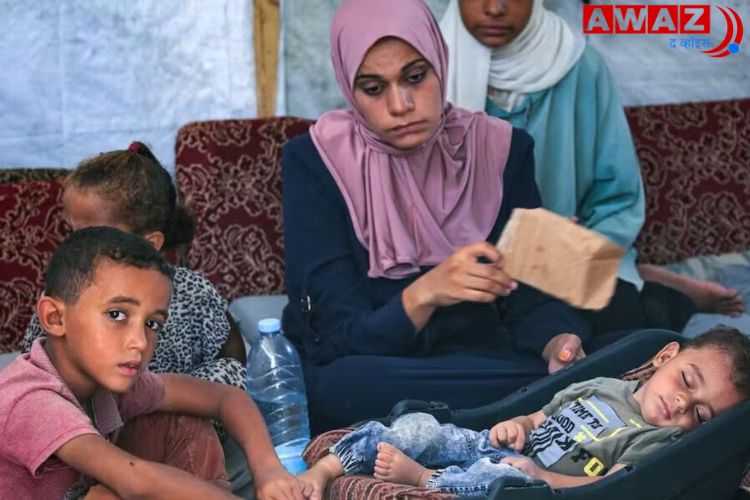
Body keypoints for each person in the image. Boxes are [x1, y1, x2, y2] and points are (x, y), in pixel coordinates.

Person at [281, 0, 597, 434]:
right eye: (374, 88)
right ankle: (532, 405)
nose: (401, 104)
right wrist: (424, 294)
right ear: (348, 88)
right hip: (381, 368)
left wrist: (556, 342)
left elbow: (533, 296)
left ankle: (517, 402)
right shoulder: (315, 162)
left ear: (439, 61)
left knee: (630, 341)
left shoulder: (501, 148)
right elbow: (336, 338)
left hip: (483, 359)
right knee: (339, 386)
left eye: (415, 77)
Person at [439, 0, 743, 337]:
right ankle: (649, 278)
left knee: (617, 327)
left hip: (556, 255)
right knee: (462, 331)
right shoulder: (422, 66)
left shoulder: (579, 66)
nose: (495, 8)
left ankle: (653, 289)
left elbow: (618, 198)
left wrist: (571, 244)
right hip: (454, 252)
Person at [0, 227, 305, 500]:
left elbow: (224, 397)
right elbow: (133, 478)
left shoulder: (106, 377)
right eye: (117, 315)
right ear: (55, 318)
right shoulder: (30, 399)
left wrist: (268, 470)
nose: (141, 342)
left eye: (153, 323)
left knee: (183, 419)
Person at [20, 142, 253, 495]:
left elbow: (233, 359)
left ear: (151, 243)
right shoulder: (70, 297)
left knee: (192, 411)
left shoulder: (191, 289)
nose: (78, 249)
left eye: (96, 236)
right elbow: (38, 368)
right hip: (88, 440)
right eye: (73, 234)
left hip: (163, 426)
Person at [298, 325, 750, 497]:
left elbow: (612, 486)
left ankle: (420, 480)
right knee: (419, 427)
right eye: (687, 382)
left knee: (502, 481)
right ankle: (329, 468)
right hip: (489, 446)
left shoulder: (658, 440)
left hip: (528, 483)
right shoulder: (604, 383)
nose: (681, 405)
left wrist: (544, 478)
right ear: (666, 356)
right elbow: (539, 414)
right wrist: (515, 424)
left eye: (702, 416)